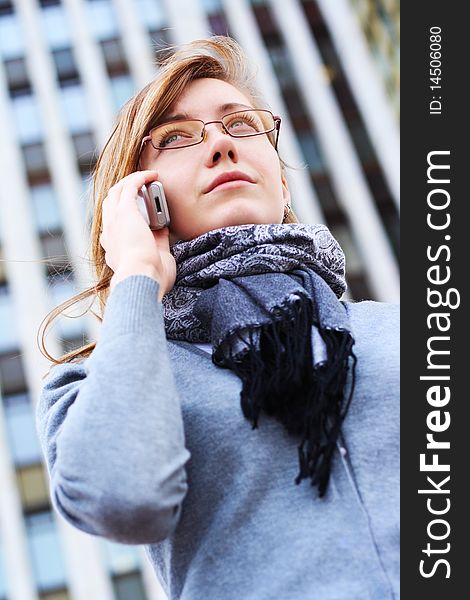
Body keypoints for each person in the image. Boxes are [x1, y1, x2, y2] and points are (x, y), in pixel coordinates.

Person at [36, 36, 399, 600]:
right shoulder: (100, 384)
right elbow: (123, 498)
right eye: (176, 137)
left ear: (279, 173)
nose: (221, 146)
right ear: (140, 198)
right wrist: (136, 272)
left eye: (242, 125)